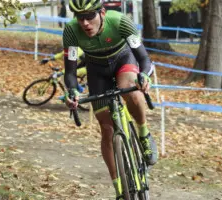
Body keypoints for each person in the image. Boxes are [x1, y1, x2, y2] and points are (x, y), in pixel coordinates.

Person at [62, 0, 158, 198]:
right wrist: (71, 91)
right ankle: (119, 188)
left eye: (90, 16)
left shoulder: (120, 22)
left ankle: (143, 133)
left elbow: (144, 59)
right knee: (106, 129)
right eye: (80, 17)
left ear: (102, 12)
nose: (85, 23)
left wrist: (145, 76)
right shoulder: (71, 31)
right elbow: (70, 72)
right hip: (96, 70)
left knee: (130, 90)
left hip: (123, 60)